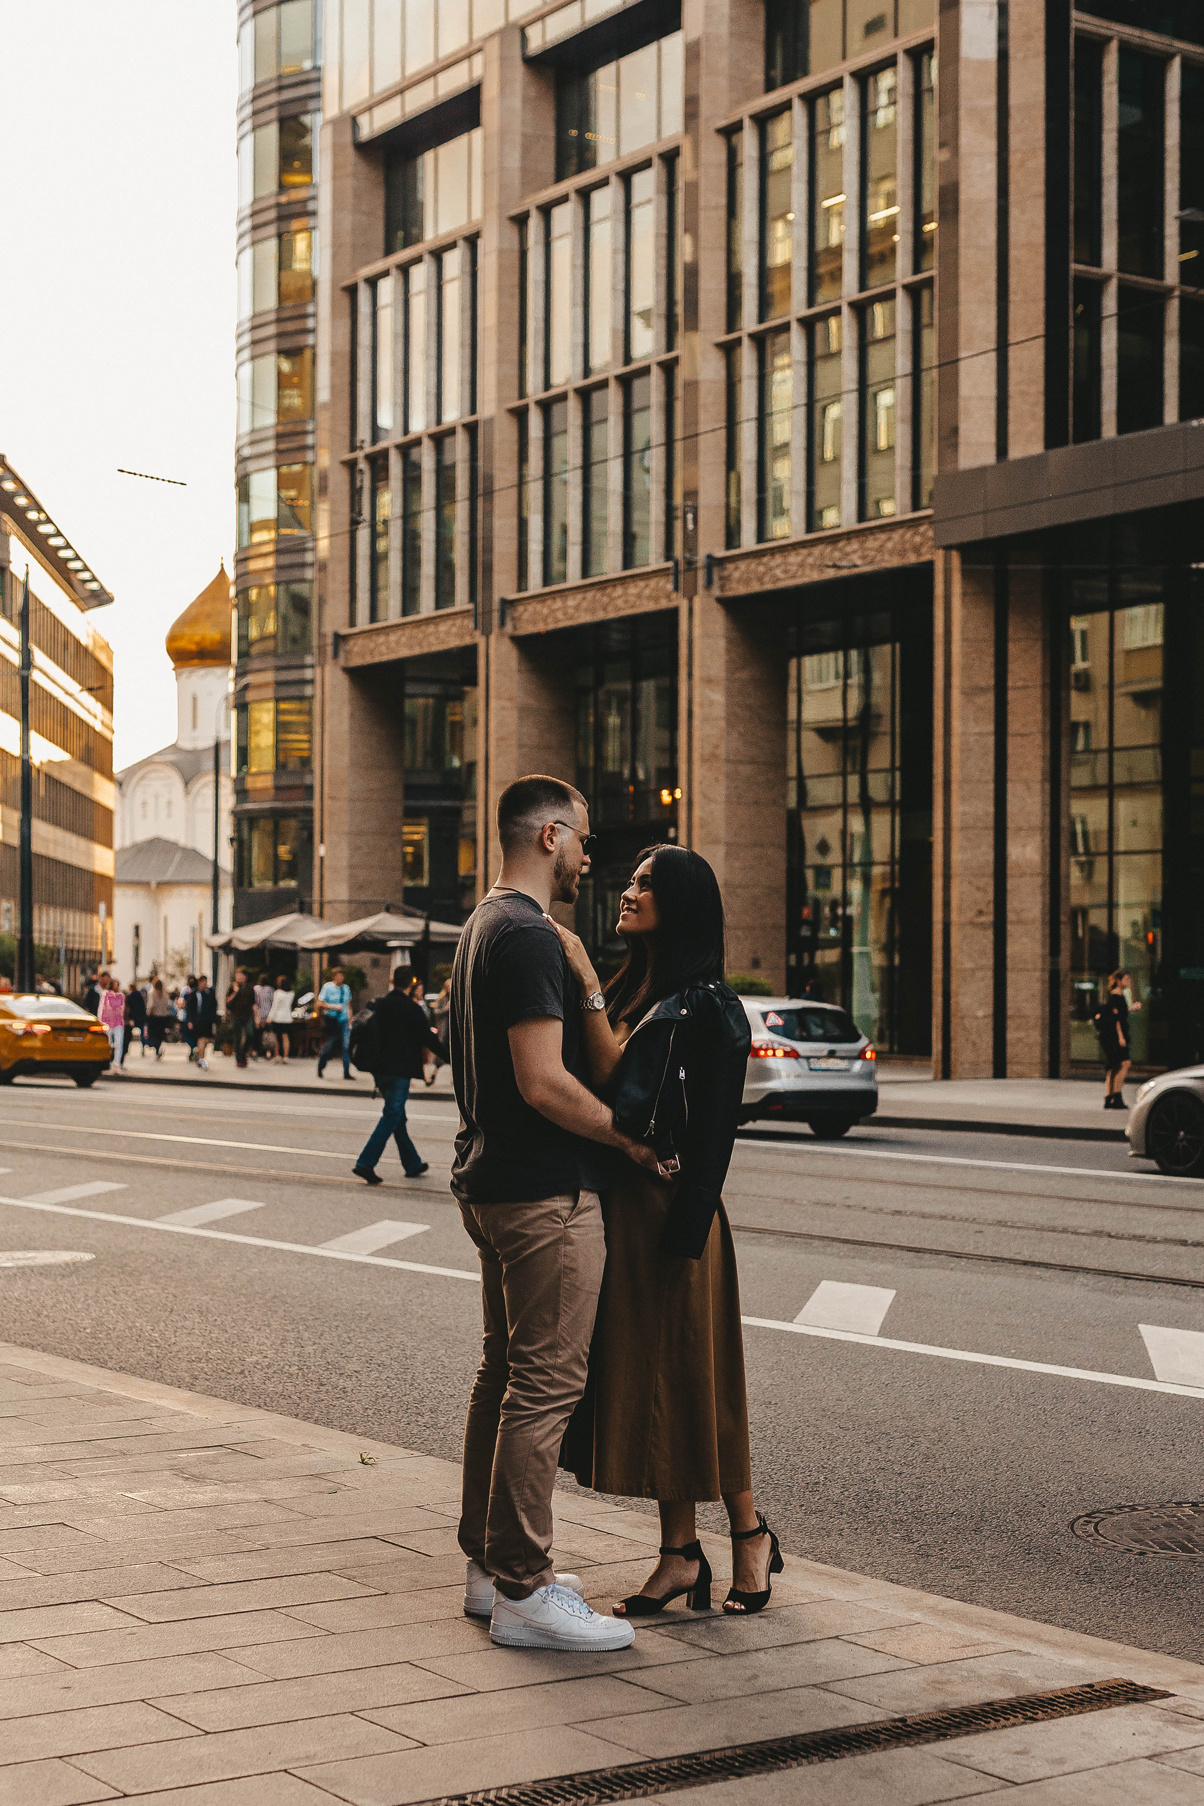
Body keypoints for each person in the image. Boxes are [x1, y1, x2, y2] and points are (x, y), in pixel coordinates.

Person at [450, 772, 664, 1654]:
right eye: (581, 838)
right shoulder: (530, 937)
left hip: (491, 1185)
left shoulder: (483, 926)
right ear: (548, 837)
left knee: (502, 1378)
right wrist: (630, 1141)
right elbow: (544, 1082)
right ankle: (526, 1591)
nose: (588, 856)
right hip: (544, 1194)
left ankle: (489, 1567)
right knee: (542, 1387)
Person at [553, 844, 783, 1618]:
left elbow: (713, 1134)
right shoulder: (638, 990)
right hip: (624, 1209)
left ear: (680, 905)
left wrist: (684, 1237)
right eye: (631, 877)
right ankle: (680, 1554)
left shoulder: (710, 1004)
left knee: (696, 1382)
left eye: (647, 883)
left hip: (674, 1220)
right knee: (659, 1387)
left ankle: (748, 1533)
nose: (628, 888)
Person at [352, 966, 445, 1183]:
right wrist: (453, 1058)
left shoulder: (380, 1004)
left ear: (393, 980)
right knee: (392, 1115)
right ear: (411, 984)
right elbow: (428, 1039)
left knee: (398, 1117)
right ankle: (365, 1163)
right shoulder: (411, 1009)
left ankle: (412, 1163)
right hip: (399, 1070)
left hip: (378, 1069)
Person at [1095, 968, 1138, 1110]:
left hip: (1112, 1036)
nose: (1128, 981)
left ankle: (1109, 1099)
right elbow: (1117, 1020)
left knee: (1113, 1067)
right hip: (1116, 1037)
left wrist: (1131, 1008)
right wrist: (1121, 1037)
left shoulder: (1116, 997)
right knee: (1125, 1063)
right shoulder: (1116, 997)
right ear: (1119, 981)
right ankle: (1117, 1097)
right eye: (1126, 979)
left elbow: (1120, 1013)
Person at [316, 966, 353, 1079]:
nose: (340, 978)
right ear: (334, 977)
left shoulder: (346, 988)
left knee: (346, 1046)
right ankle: (321, 1066)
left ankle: (346, 1072)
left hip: (344, 1021)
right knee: (329, 1046)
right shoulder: (327, 987)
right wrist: (333, 1007)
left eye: (342, 976)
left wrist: (350, 1020)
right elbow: (319, 1003)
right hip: (331, 1021)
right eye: (338, 976)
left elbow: (348, 1005)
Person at [225, 968, 256, 1068]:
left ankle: (243, 1053)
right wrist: (236, 992)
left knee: (250, 1034)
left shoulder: (250, 988)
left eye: (241, 976)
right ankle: (239, 1058)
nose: (239, 978)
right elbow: (228, 1003)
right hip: (236, 1015)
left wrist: (256, 1016)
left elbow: (253, 1003)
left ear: (245, 977)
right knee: (237, 1038)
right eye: (238, 976)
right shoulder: (232, 987)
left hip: (248, 1015)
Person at [186, 974, 217, 1070]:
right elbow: (190, 1008)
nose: (205, 984)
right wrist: (190, 1020)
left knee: (207, 1040)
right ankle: (201, 1058)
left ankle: (198, 1053)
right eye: (203, 982)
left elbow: (214, 1005)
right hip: (198, 1020)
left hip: (208, 1020)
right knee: (201, 1039)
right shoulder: (194, 993)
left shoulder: (209, 993)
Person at [96, 972, 126, 1067]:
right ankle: (106, 1061)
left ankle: (116, 1062)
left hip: (118, 1022)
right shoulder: (106, 994)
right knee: (108, 1043)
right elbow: (102, 1008)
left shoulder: (121, 996)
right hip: (107, 1022)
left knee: (119, 1044)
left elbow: (122, 1009)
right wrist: (100, 1021)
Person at [266, 975, 296, 1062]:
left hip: (278, 1017)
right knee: (286, 1037)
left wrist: (270, 1017)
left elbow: (274, 1006)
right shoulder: (291, 993)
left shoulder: (278, 993)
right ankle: (286, 1056)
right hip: (287, 1017)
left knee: (276, 1038)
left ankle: (277, 1055)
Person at [145, 978, 174, 1058]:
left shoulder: (152, 994)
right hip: (163, 1017)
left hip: (155, 1017)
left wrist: (148, 1013)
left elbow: (150, 1005)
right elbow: (169, 1006)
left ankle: (156, 1047)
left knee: (154, 1033)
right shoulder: (165, 995)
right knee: (161, 1033)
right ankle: (158, 1048)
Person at [122, 980, 146, 1063]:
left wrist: (130, 1018)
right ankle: (143, 1048)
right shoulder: (140, 995)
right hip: (140, 1017)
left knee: (129, 1035)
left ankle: (127, 1049)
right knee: (142, 1034)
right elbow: (143, 1007)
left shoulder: (129, 996)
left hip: (132, 1018)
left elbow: (128, 1009)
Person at [253, 972, 274, 1056]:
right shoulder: (271, 990)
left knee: (258, 1034)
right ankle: (268, 1051)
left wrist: (256, 1016)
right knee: (268, 1033)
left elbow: (255, 1003)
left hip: (259, 1014)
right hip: (268, 1014)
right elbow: (273, 1002)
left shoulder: (255, 989)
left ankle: (255, 1051)